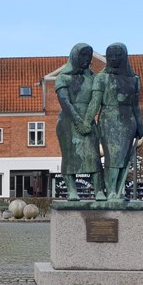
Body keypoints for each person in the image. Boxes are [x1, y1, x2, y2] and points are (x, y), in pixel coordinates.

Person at [80, 42, 143, 200]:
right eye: (110, 55)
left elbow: (135, 106)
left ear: (124, 56)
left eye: (118, 55)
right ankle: (111, 191)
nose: (114, 58)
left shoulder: (134, 79)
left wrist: (140, 124)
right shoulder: (101, 78)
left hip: (128, 121)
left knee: (124, 158)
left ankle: (118, 191)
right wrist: (87, 121)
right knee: (113, 156)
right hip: (109, 120)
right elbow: (95, 102)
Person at [56, 43, 105, 201]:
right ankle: (72, 191)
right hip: (68, 121)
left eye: (88, 56)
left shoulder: (94, 78)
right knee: (70, 156)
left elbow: (96, 100)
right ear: (74, 57)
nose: (86, 59)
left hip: (88, 120)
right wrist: (78, 122)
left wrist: (87, 121)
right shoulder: (63, 78)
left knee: (94, 156)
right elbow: (65, 102)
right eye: (82, 55)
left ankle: (99, 191)